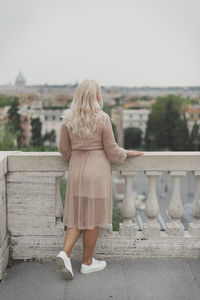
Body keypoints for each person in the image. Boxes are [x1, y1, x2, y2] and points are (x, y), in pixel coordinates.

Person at [56, 79, 144, 279]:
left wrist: (75, 157)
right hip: (97, 173)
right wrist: (128, 153)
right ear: (96, 96)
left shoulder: (68, 119)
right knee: (93, 220)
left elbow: (63, 150)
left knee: (78, 216)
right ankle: (87, 263)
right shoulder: (103, 118)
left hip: (77, 170)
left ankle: (65, 252)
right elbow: (112, 151)